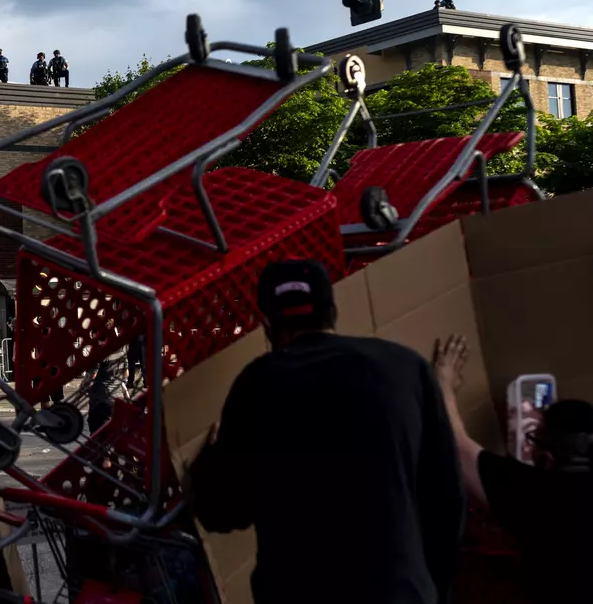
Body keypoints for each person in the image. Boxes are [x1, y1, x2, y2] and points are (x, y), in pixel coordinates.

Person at [185, 259, 463, 604]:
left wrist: (206, 461)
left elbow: (220, 512)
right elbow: (446, 499)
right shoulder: (406, 367)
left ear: (268, 326)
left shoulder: (256, 384)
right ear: (334, 310)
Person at [435, 334, 593, 604]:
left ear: (548, 459)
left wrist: (443, 384)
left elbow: (458, 449)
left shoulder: (540, 496)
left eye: (533, 438)